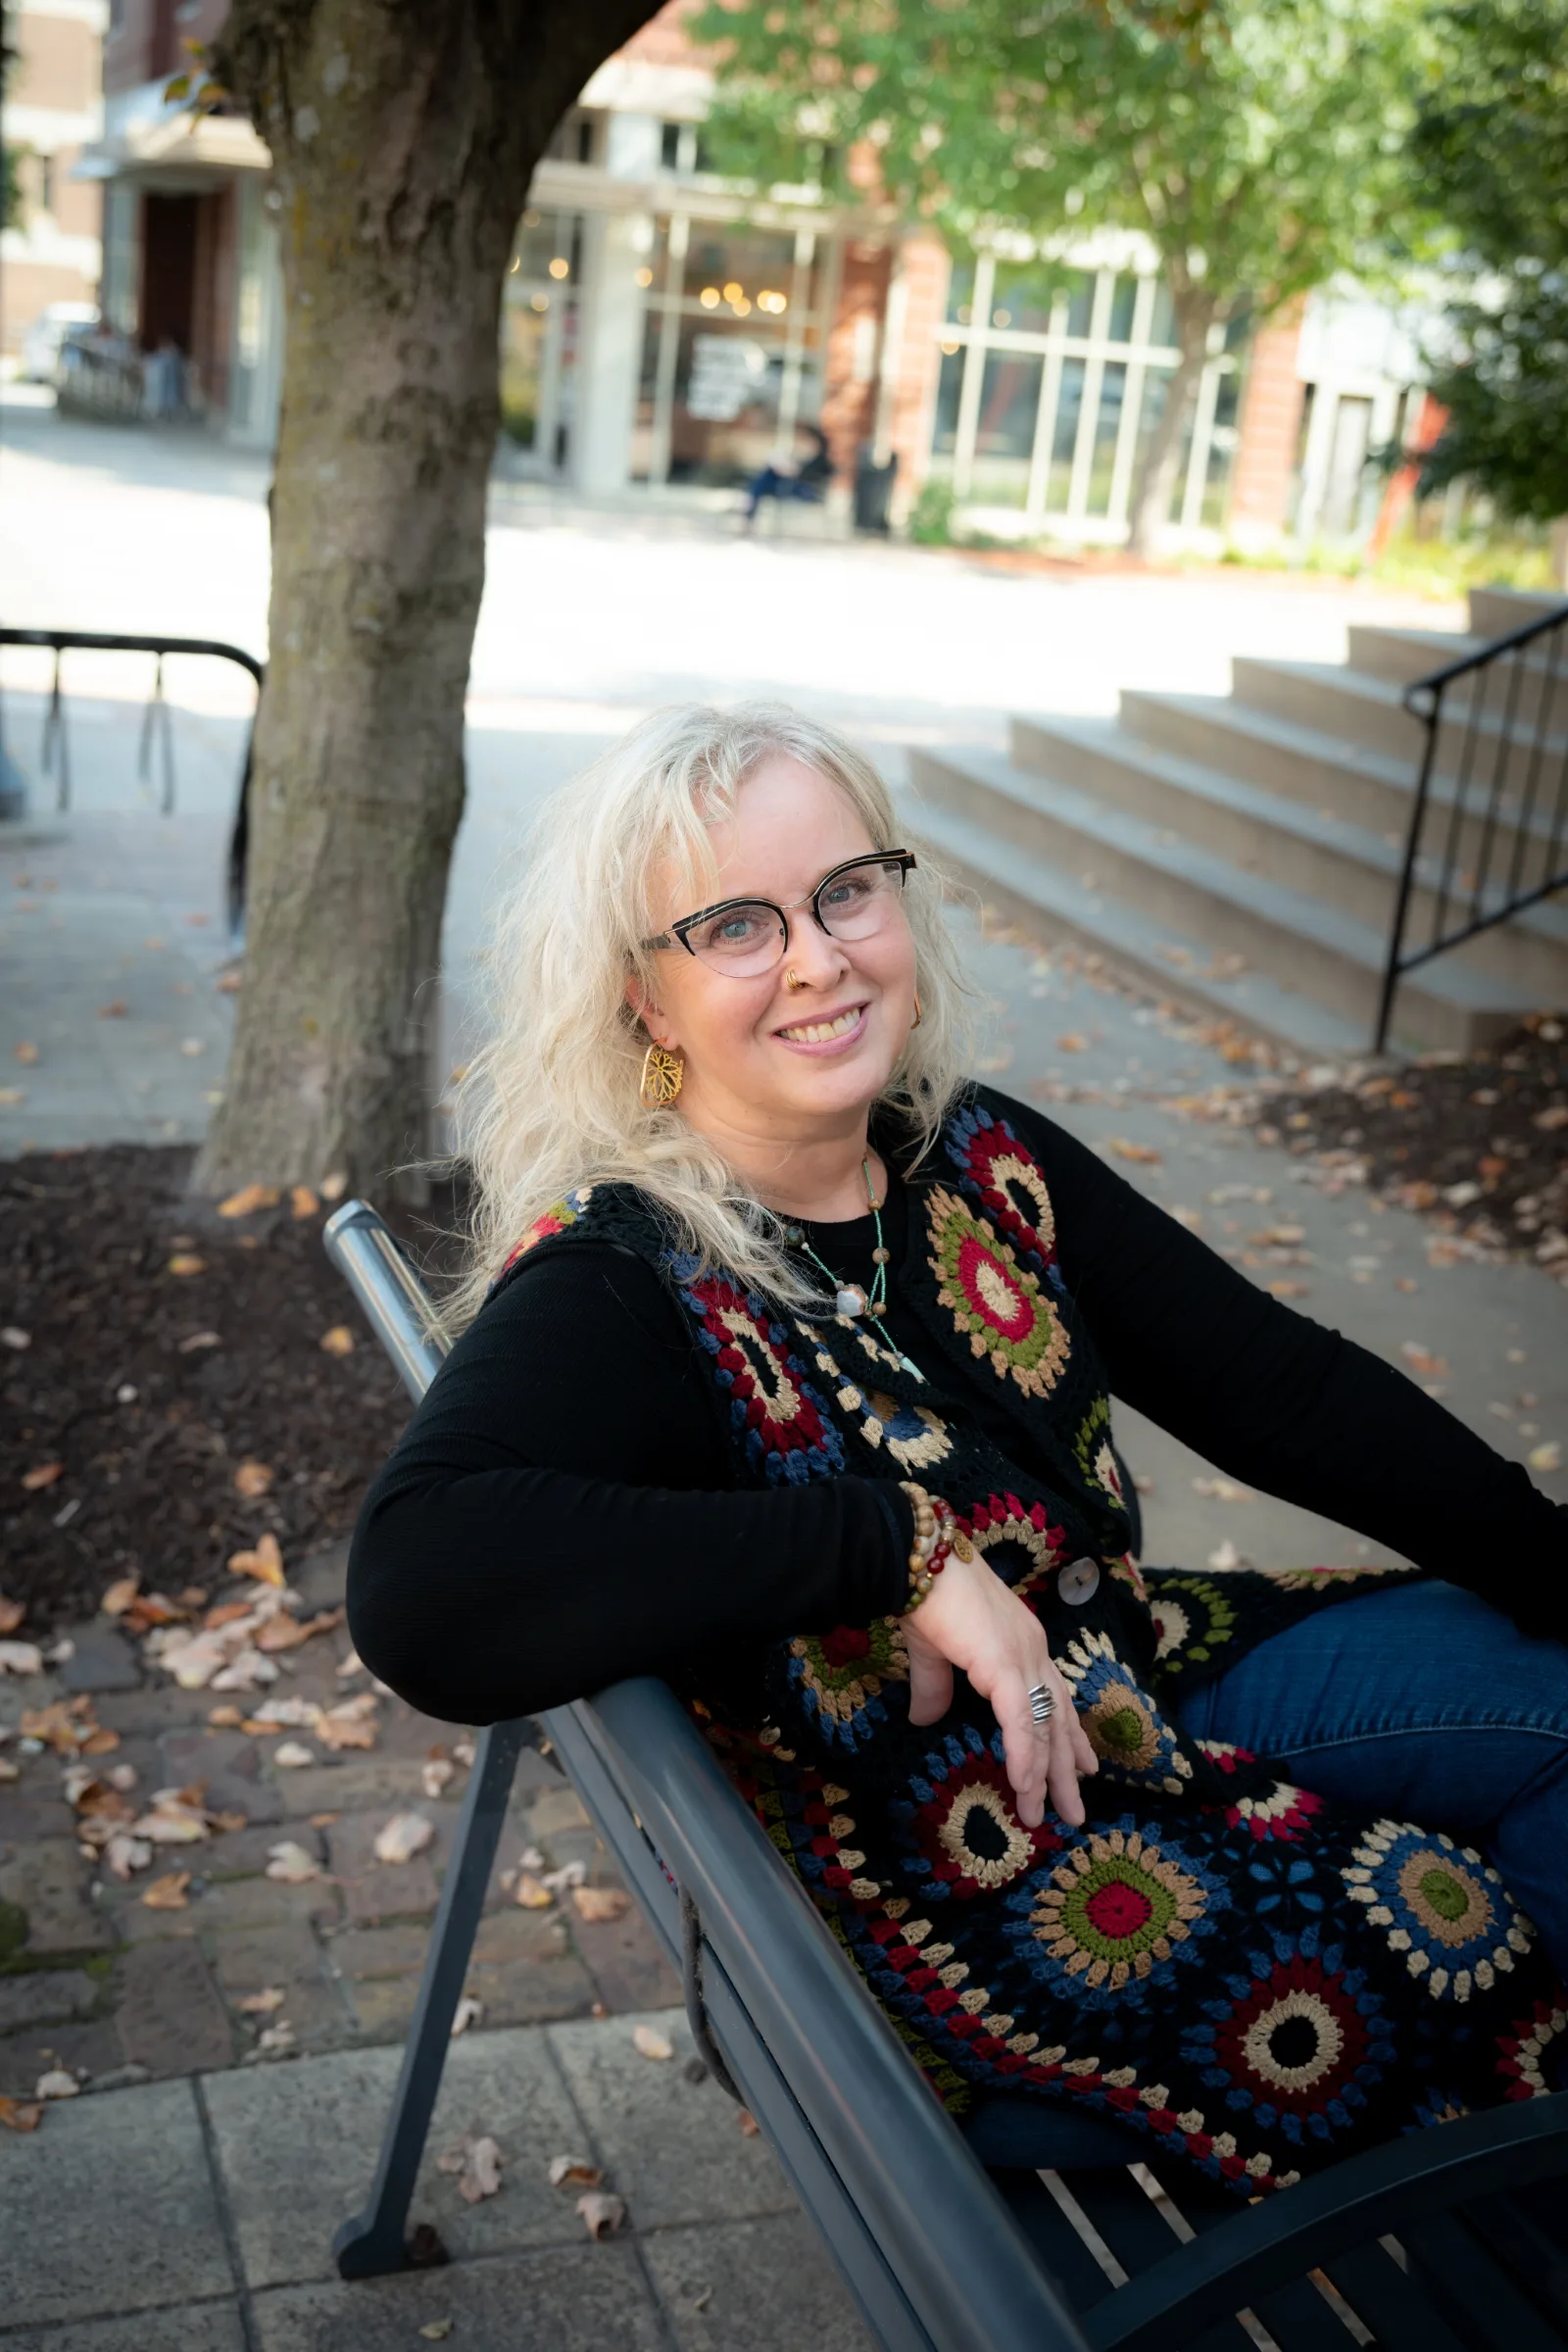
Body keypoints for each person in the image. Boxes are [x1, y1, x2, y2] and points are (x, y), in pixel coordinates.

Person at [349, 703, 1568, 2196]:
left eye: (846, 891)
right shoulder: (630, 1278)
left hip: (1125, 1676)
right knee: (1469, 1950)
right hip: (969, 1899)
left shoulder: (968, 1156)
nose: (819, 959)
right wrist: (894, 1550)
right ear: (643, 1003)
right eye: (736, 925)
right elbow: (422, 1582)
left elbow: (1282, 1390)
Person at [741, 422, 833, 527]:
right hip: (789, 484)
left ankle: (749, 508)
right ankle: (750, 505)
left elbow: (808, 476)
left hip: (801, 489)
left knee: (764, 478)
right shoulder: (812, 458)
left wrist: (792, 472)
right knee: (767, 475)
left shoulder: (821, 461)